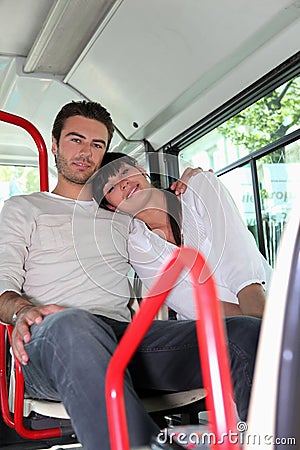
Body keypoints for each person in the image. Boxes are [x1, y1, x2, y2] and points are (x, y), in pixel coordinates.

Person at [0, 101, 261, 450]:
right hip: (48, 338)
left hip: (125, 342)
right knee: (74, 324)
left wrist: (189, 185)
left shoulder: (123, 217)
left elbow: (171, 242)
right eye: (76, 140)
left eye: (97, 145)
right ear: (55, 143)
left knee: (244, 333)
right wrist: (22, 312)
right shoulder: (24, 208)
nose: (86, 153)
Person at [93, 152, 272, 319]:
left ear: (141, 170)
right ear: (111, 207)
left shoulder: (199, 187)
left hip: (270, 301)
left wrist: (263, 318)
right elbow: (188, 301)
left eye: (124, 171)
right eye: (111, 188)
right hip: (217, 333)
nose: (123, 183)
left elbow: (236, 252)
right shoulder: (136, 246)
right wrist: (249, 326)